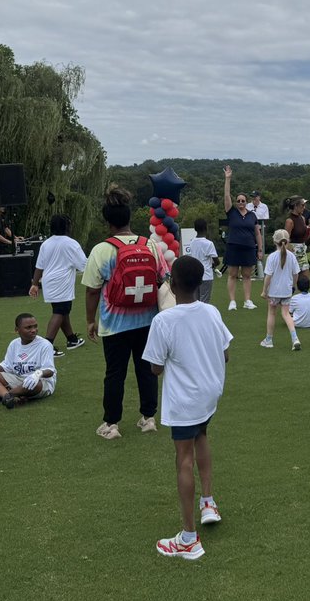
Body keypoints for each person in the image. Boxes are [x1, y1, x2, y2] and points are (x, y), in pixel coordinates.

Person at [143, 255, 232, 561]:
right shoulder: (210, 311)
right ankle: (207, 502)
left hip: (186, 398)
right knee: (202, 436)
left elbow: (155, 368)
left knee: (183, 458)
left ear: (173, 283)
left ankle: (189, 539)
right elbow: (226, 352)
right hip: (210, 393)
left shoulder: (163, 320)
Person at [83, 184, 166, 440]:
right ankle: (148, 418)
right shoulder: (150, 245)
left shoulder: (102, 249)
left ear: (108, 220)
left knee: (115, 373)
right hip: (147, 321)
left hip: (115, 324)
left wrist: (89, 320)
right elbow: (163, 279)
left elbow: (93, 290)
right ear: (130, 217)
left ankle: (111, 424)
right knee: (146, 370)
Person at [29, 214, 88, 356]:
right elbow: (83, 265)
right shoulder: (71, 243)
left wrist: (35, 284)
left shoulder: (46, 243)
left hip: (49, 281)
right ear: (67, 226)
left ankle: (71, 339)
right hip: (62, 281)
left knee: (62, 310)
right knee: (61, 311)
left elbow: (39, 266)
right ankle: (47, 346)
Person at [0, 313, 58, 409]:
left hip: (41, 383)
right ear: (17, 330)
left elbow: (50, 370)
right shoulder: (14, 344)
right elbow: (6, 367)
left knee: (35, 384)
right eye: (28, 327)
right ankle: (10, 396)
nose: (33, 330)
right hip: (19, 380)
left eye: (35, 326)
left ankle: (7, 394)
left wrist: (37, 374)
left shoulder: (45, 345)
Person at [223, 167, 260, 310]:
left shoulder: (252, 215)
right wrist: (228, 179)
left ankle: (247, 301)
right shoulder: (231, 212)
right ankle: (232, 301)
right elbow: (226, 196)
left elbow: (257, 233)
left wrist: (260, 249)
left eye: (243, 200)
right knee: (232, 274)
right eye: (238, 200)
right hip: (233, 246)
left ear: (246, 202)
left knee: (247, 275)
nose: (240, 202)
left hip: (249, 247)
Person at [259, 229, 302, 351]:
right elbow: (296, 274)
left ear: (274, 241)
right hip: (287, 291)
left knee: (272, 313)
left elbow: (268, 276)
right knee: (286, 314)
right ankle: (295, 338)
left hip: (274, 292)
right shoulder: (292, 256)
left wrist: (264, 291)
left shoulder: (272, 257)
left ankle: (269, 339)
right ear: (287, 241)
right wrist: (294, 285)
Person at [186, 218, 220, 304]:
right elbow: (216, 261)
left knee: (195, 300)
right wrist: (213, 265)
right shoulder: (209, 243)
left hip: (195, 274)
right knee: (204, 300)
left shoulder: (192, 242)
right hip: (206, 275)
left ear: (195, 229)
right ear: (206, 228)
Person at [284, 196, 310, 283]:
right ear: (295, 206)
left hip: (302, 250)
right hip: (292, 251)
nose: (304, 207)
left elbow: (304, 236)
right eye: (302, 205)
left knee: (305, 280)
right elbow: (286, 239)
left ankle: (303, 296)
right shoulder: (289, 221)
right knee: (292, 279)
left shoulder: (302, 218)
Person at [248, 191, 270, 280]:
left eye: (255, 197)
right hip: (250, 229)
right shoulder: (248, 206)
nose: (254, 198)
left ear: (259, 197)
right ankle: (251, 270)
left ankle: (261, 270)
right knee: (251, 248)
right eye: (252, 197)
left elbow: (265, 218)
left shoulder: (264, 206)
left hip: (260, 229)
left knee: (260, 248)